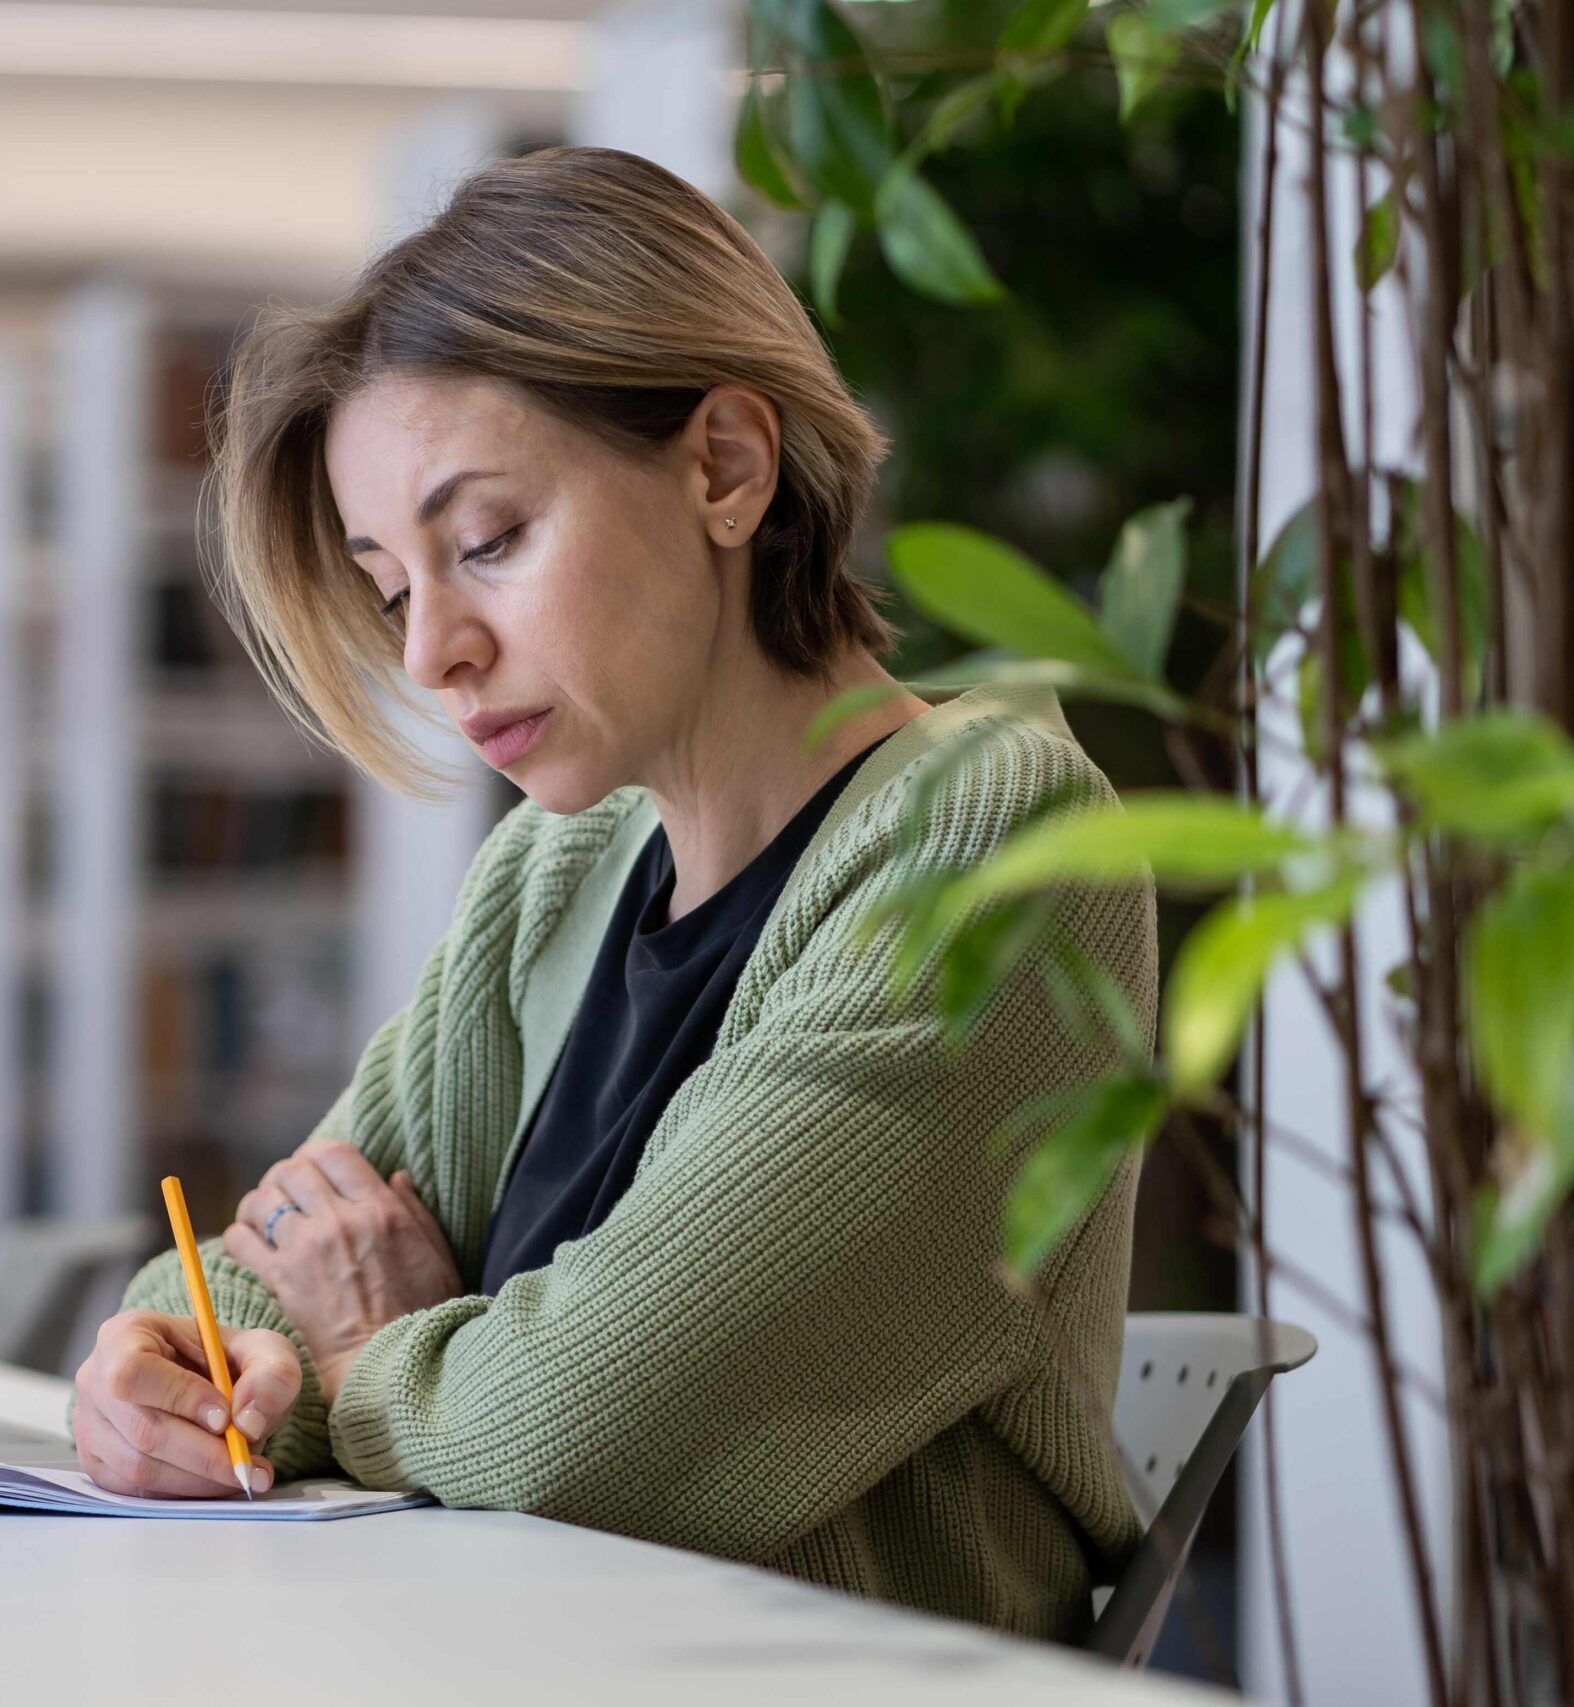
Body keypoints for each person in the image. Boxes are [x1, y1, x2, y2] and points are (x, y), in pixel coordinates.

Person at [70, 146, 1156, 1643]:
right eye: (395, 586)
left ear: (725, 465)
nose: (430, 651)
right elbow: (264, 1274)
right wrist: (169, 1371)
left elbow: (572, 1438)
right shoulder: (557, 866)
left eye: (490, 542)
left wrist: (371, 1349)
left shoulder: (986, 841)